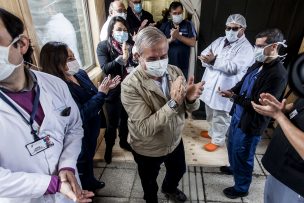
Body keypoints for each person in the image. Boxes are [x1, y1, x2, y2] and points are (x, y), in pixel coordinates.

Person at [0, 8, 94, 202]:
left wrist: (67, 164)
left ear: (22, 44)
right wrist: (53, 184)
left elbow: (74, 127)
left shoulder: (55, 85)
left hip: (69, 191)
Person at [121, 26, 204, 203]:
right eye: (152, 58)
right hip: (148, 147)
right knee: (149, 181)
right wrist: (174, 102)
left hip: (174, 139)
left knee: (179, 169)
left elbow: (190, 108)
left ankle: (169, 188)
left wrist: (189, 98)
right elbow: (145, 128)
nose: (160, 62)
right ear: (137, 56)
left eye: (164, 56)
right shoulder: (130, 86)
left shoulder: (175, 72)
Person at [40, 42, 121, 190]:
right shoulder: (57, 88)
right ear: (55, 63)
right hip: (77, 133)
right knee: (81, 160)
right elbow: (80, 114)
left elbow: (92, 95)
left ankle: (90, 180)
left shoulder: (80, 73)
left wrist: (105, 89)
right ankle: (84, 187)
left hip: (92, 127)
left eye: (73, 57)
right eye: (68, 59)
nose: (74, 62)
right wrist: (102, 94)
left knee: (89, 156)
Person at [218, 28, 288, 198]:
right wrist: (232, 90)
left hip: (251, 122)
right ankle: (233, 167)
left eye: (259, 46)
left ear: (273, 47)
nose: (255, 49)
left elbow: (258, 104)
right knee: (232, 145)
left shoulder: (278, 75)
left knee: (244, 154)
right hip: (238, 116)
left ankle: (241, 187)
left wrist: (234, 97)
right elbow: (243, 82)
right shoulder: (259, 63)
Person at [198, 14, 254, 152]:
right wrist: (208, 60)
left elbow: (234, 68)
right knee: (210, 111)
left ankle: (217, 140)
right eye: (228, 28)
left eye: (234, 28)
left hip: (227, 85)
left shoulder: (246, 48)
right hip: (211, 84)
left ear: (243, 29)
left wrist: (213, 61)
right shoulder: (219, 41)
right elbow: (205, 53)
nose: (230, 31)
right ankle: (212, 133)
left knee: (221, 115)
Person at [252, 93, 304, 203]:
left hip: (296, 183)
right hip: (279, 171)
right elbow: (296, 109)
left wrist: (279, 115)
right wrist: (281, 109)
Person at [97, 16, 135, 164]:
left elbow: (136, 65)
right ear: (111, 31)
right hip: (112, 91)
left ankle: (124, 142)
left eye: (125, 30)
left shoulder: (131, 45)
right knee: (112, 123)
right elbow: (105, 68)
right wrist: (121, 59)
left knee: (125, 119)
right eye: (119, 29)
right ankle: (109, 148)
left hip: (129, 90)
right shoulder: (103, 46)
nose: (122, 32)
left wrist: (135, 59)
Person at [160, 1, 196, 79]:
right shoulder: (165, 25)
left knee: (182, 87)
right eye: (175, 13)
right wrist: (171, 39)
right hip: (167, 64)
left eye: (179, 13)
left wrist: (179, 37)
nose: (177, 15)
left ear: (183, 12)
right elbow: (158, 44)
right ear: (170, 13)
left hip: (183, 65)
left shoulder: (188, 24)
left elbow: (193, 42)